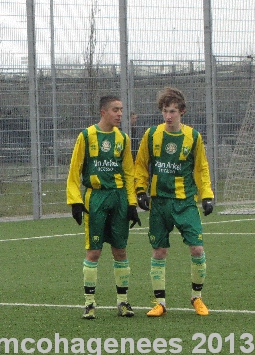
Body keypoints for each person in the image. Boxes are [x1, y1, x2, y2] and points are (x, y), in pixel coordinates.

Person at [135, 87, 214, 317]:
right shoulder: (151, 135)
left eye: (173, 111)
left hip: (185, 202)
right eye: (165, 111)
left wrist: (206, 195)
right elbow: (141, 164)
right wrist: (140, 191)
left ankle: (196, 298)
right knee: (159, 251)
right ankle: (160, 302)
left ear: (182, 112)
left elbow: (201, 168)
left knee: (197, 249)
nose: (168, 116)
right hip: (160, 203)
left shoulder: (194, 137)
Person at [66, 95, 141, 320]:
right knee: (94, 251)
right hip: (96, 198)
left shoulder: (123, 139)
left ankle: (123, 302)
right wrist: (75, 201)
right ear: (103, 112)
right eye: (115, 110)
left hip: (118, 198)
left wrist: (131, 203)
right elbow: (75, 169)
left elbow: (128, 172)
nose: (120, 114)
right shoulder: (87, 136)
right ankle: (89, 304)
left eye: (121, 110)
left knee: (120, 250)